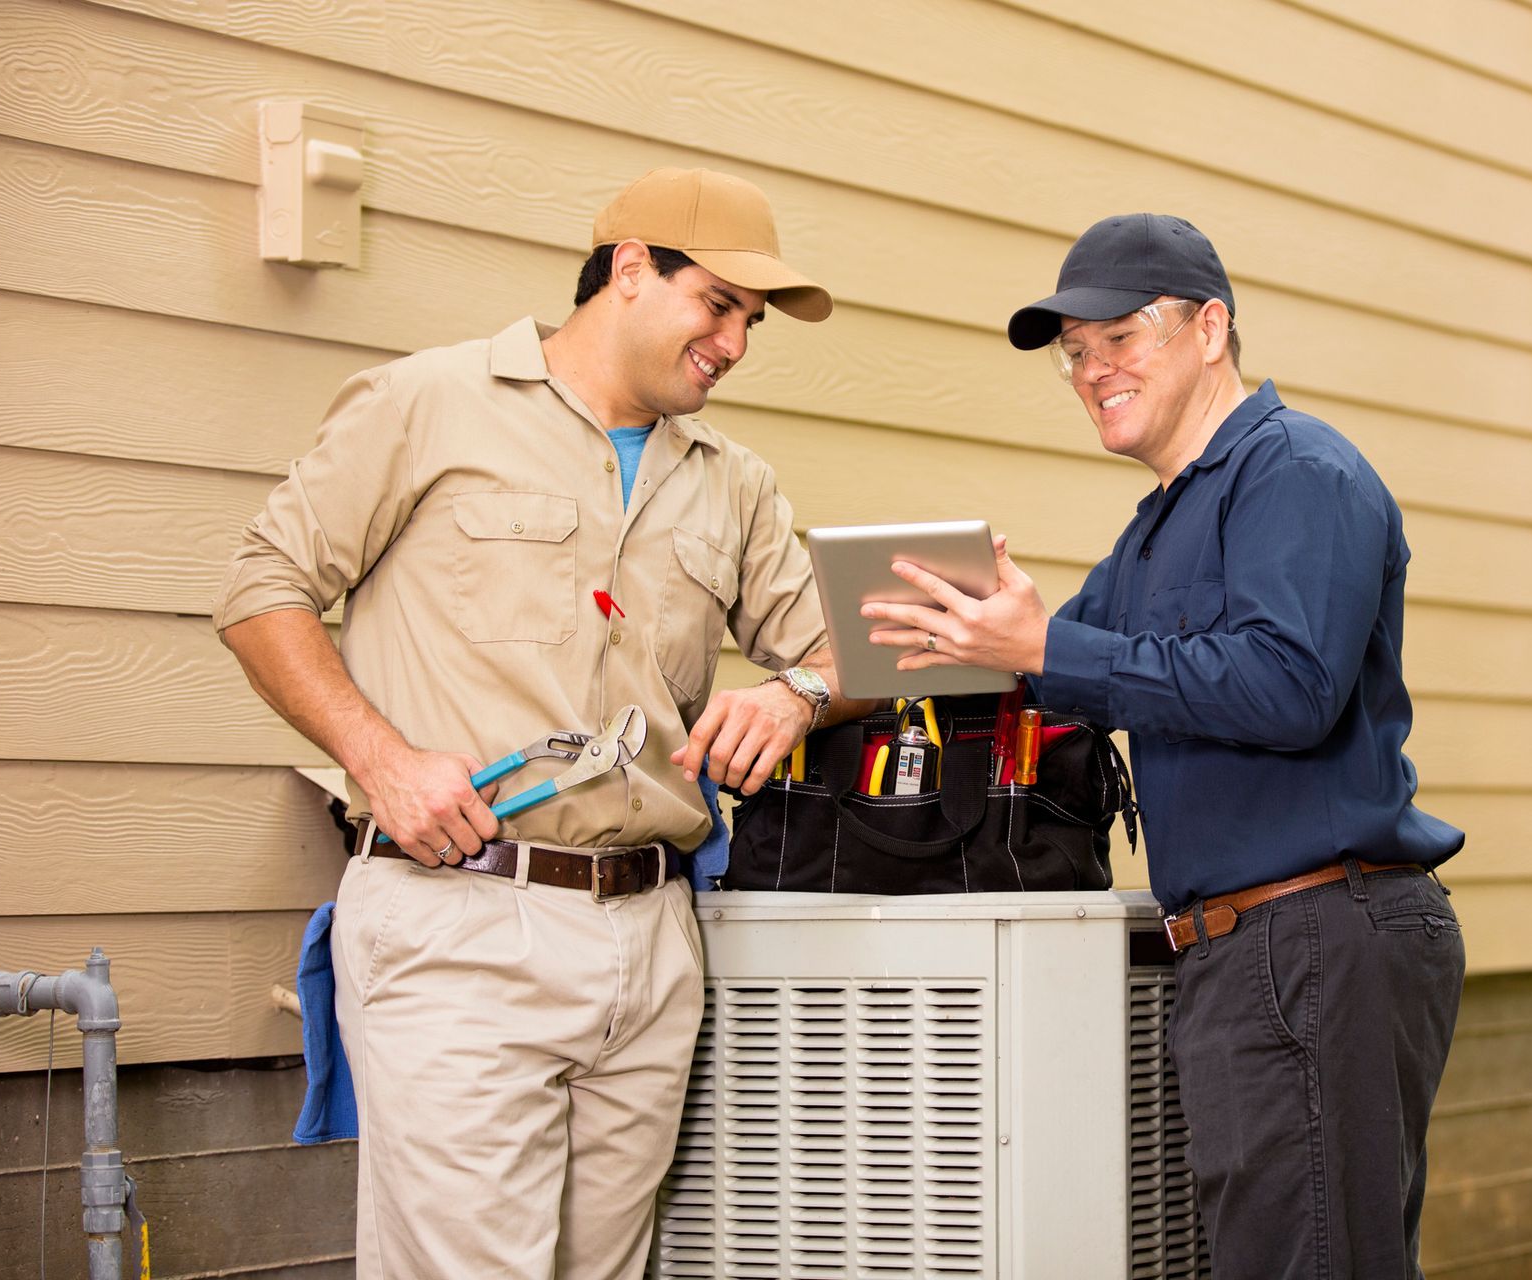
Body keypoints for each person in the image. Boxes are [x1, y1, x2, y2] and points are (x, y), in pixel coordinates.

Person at [215, 166, 873, 1279]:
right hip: (462, 917)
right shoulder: (427, 403)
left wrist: (792, 690)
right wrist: (379, 757)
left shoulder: (734, 483)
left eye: (751, 322)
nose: (736, 344)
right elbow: (261, 590)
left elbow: (854, 645)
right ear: (628, 269)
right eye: (718, 304)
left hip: (653, 937)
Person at [861, 213, 1467, 1277]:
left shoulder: (1297, 472)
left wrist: (1052, 643)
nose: (1094, 370)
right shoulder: (1156, 529)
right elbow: (1056, 673)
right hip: (1241, 951)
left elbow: (1291, 687)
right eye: (1076, 355)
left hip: (1318, 933)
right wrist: (837, 676)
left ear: (1211, 329)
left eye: (1122, 338)